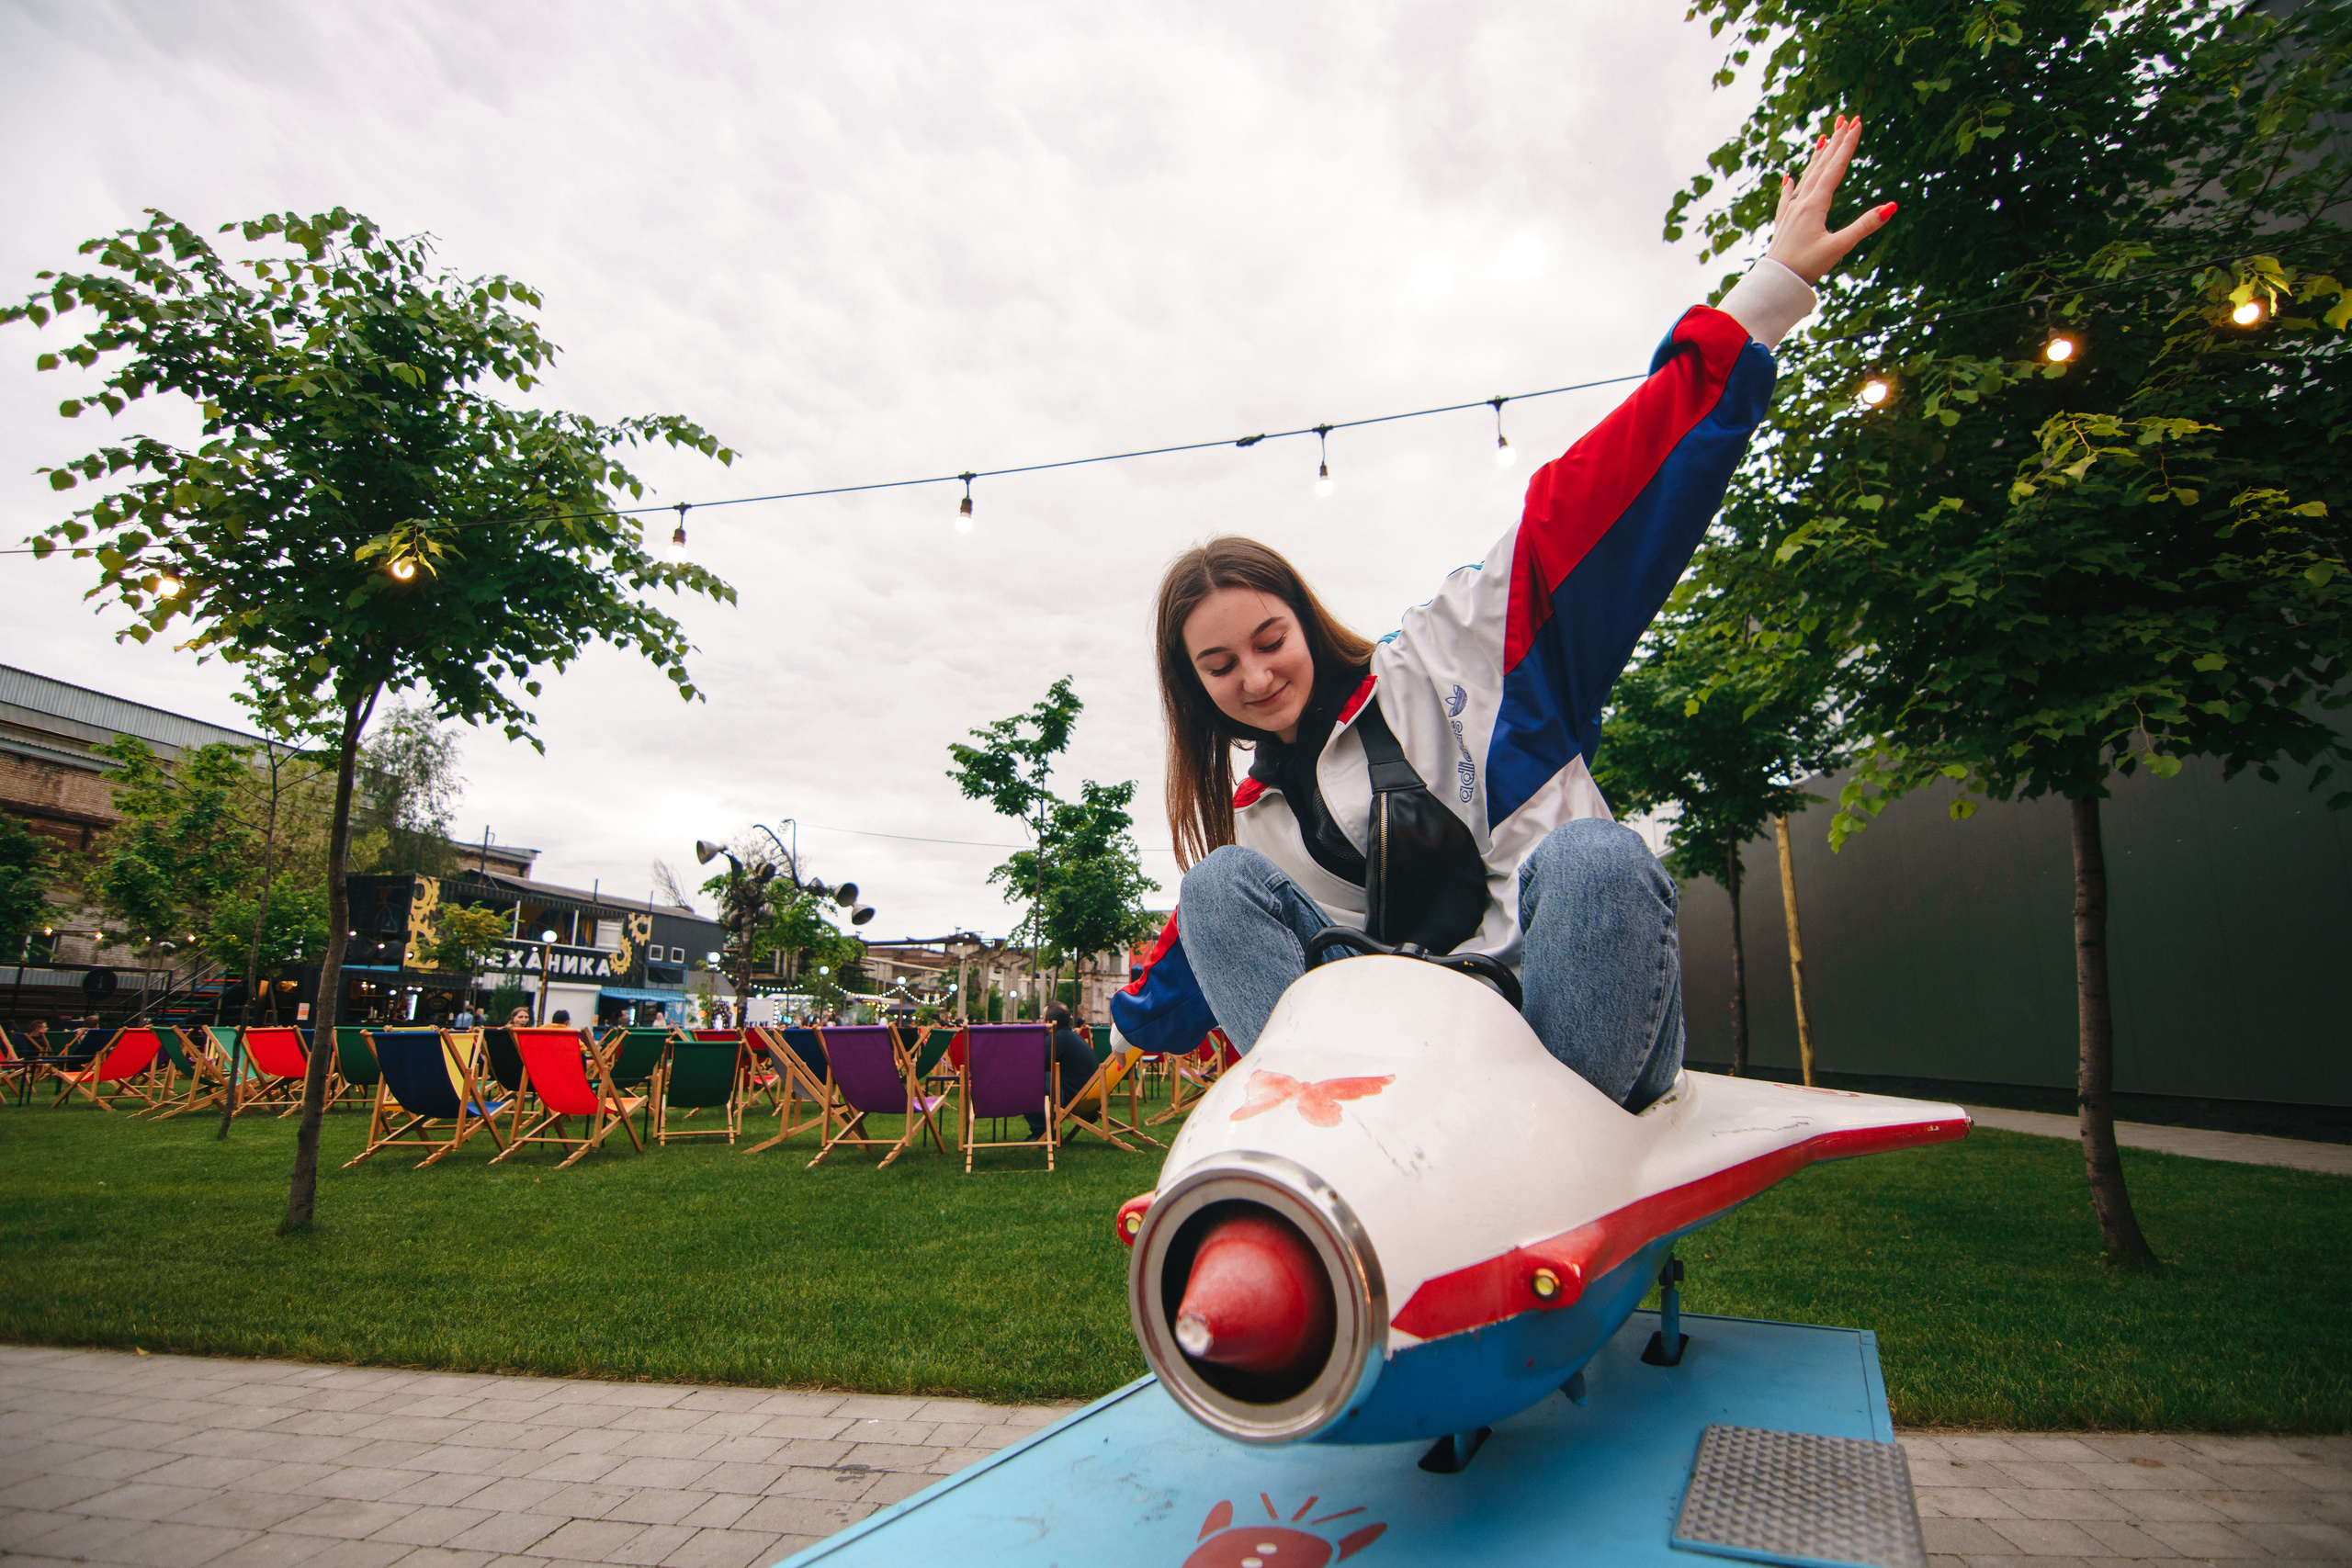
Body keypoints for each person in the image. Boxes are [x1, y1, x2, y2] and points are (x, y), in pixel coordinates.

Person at [1113, 119, 1891, 1111]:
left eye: (1270, 640)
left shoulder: (1458, 652)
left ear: (1304, 621)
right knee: (1212, 884)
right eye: (1221, 668)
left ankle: (1560, 1140)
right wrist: (1126, 1023)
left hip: (1572, 1037)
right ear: (1197, 692)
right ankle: (1333, 1125)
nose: (1257, 676)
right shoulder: (1258, 824)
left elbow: (1598, 496)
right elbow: (1181, 973)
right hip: (1399, 1072)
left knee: (1594, 855)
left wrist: (1766, 293)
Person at [1028, 1001, 1102, 1141]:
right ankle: (1044, 1131)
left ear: (1049, 1022)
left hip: (1073, 1096)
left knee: (1029, 1081)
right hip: (1088, 1096)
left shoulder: (1057, 1038)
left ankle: (1041, 1131)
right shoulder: (1070, 1037)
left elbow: (1036, 1067)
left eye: (1042, 1018)